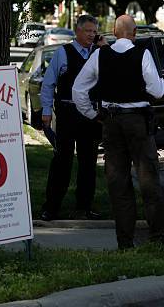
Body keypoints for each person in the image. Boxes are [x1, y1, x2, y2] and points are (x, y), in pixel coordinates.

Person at [72, 15, 164, 249]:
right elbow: (157, 90)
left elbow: (78, 89)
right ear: (134, 33)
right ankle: (158, 236)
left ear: (114, 33)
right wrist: (163, 84)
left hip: (111, 122)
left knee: (118, 181)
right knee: (149, 179)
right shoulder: (142, 54)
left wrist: (93, 114)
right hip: (137, 121)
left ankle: (125, 241)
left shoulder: (99, 55)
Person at [39, 14, 105, 221]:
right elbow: (48, 83)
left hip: (91, 116)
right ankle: (51, 207)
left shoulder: (100, 53)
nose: (91, 35)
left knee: (88, 163)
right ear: (77, 31)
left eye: (94, 32)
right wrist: (46, 111)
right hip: (67, 113)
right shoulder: (63, 52)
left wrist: (103, 48)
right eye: (88, 31)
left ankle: (84, 207)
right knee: (62, 161)